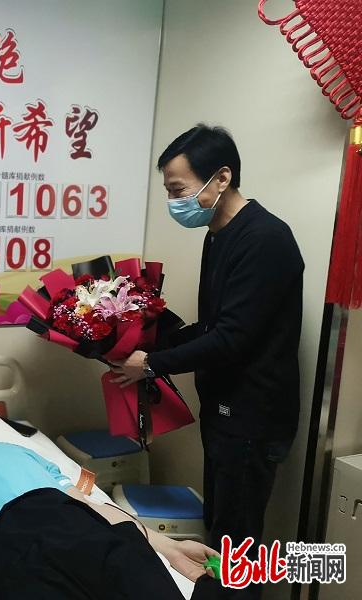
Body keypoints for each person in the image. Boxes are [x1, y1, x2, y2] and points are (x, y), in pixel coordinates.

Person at [111, 124, 304, 599]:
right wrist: (142, 337)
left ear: (221, 178)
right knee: (222, 532)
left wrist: (151, 363)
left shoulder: (265, 239)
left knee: (239, 543)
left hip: (253, 416)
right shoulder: (218, 234)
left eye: (178, 190)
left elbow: (231, 338)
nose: (173, 201)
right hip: (223, 410)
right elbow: (214, 323)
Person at [0, 384, 219, 600]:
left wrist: (169, 547)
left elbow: (88, 503)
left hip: (75, 525)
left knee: (136, 566)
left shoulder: (19, 450)